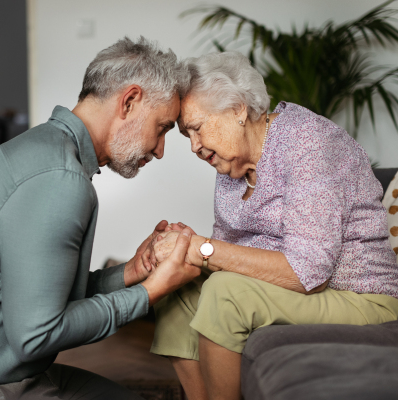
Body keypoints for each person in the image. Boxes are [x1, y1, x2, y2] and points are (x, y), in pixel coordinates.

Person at [0, 37, 202, 399]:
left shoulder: (47, 153)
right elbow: (36, 335)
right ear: (129, 101)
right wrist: (150, 293)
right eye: (163, 127)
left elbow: (40, 295)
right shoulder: (58, 179)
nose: (160, 149)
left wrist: (132, 273)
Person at [146, 52, 398, 400]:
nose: (194, 146)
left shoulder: (307, 144)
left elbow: (307, 272)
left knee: (224, 293)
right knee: (178, 286)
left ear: (237, 109)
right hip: (305, 291)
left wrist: (202, 247)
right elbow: (224, 254)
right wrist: (184, 246)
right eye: (186, 135)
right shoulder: (232, 166)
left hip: (361, 297)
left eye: (197, 128)